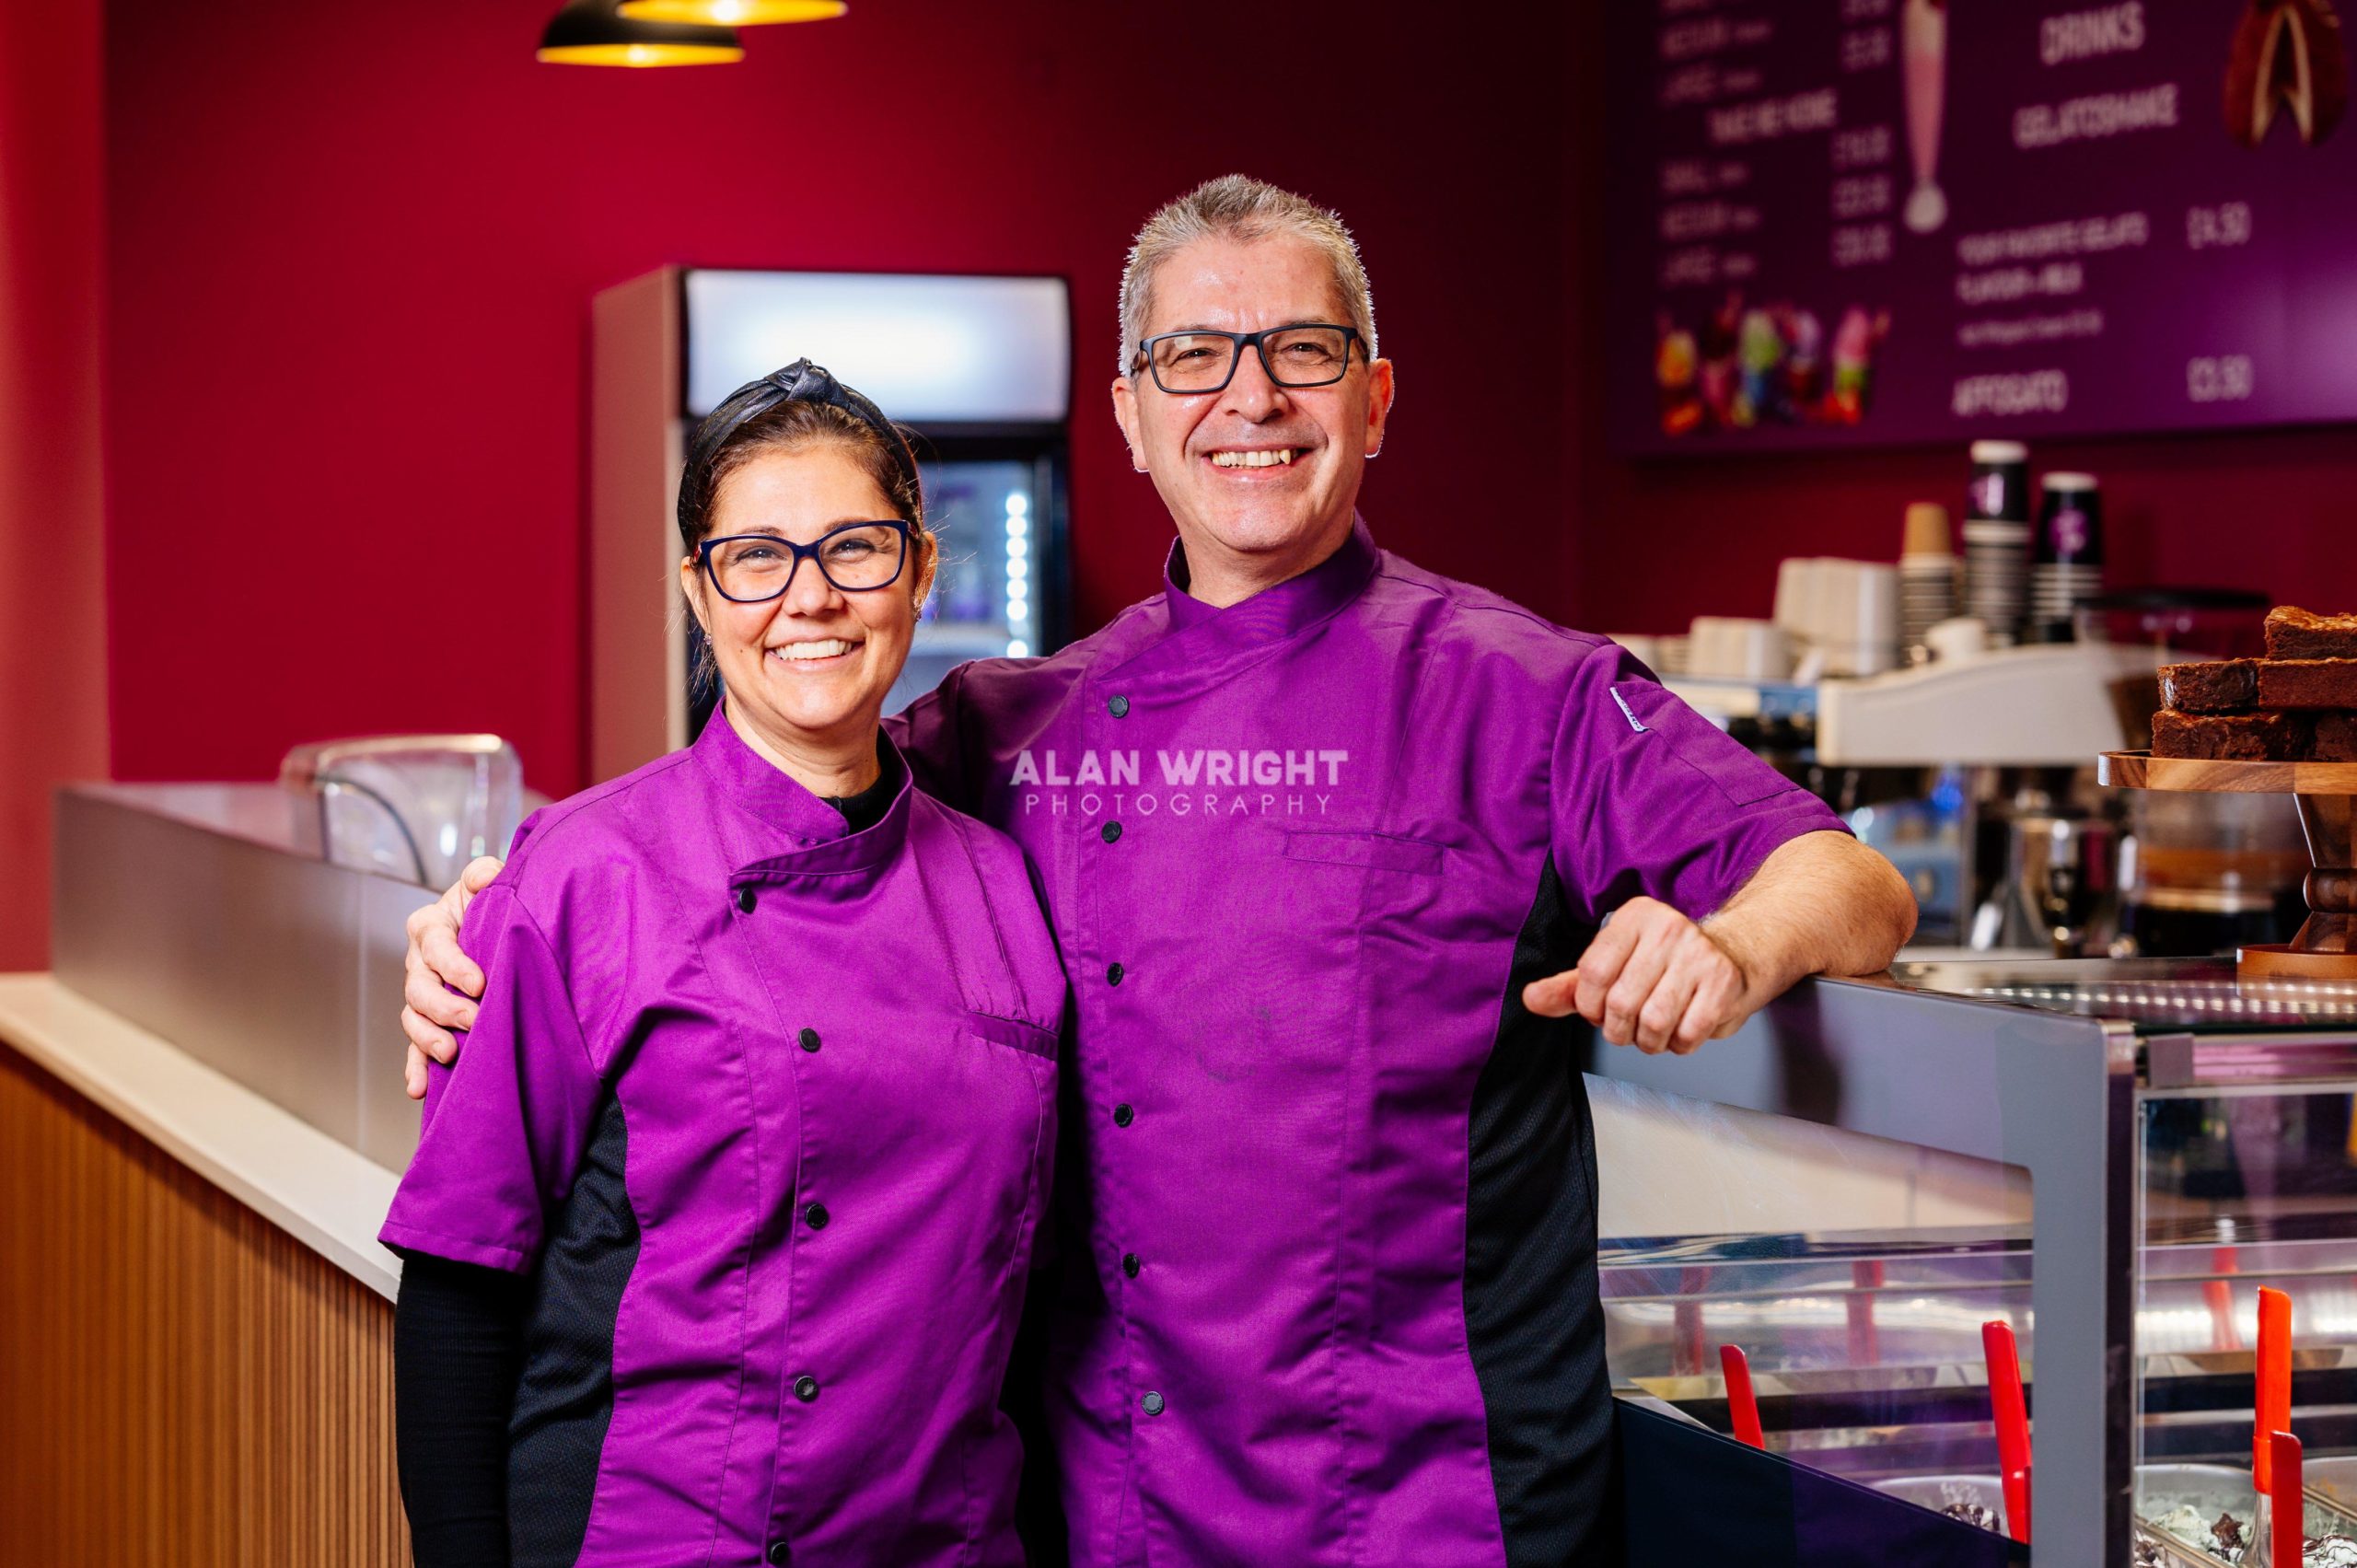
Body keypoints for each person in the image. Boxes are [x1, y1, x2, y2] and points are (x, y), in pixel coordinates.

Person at [403, 178, 1918, 1567]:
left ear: (1377, 398)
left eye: (1303, 350)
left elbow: (1845, 883)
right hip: (1099, 1508)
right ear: (1129, 417)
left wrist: (1729, 946)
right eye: (1194, 356)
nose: (1249, 396)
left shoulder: (1526, 694)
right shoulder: (1012, 726)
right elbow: (772, 806)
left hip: (1425, 1510)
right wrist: (487, 917)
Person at [382, 363, 1066, 1568]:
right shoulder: (586, 875)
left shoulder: (1004, 883)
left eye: (855, 548)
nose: (810, 598)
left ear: (919, 571)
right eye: (757, 557)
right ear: (701, 593)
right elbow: (459, 1289)